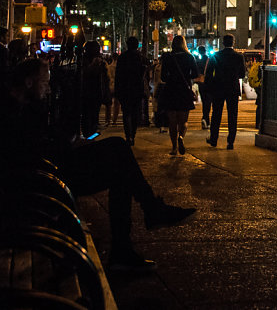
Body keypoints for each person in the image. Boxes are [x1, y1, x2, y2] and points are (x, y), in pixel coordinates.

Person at [1, 58, 196, 272]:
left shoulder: (23, 106)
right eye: (44, 83)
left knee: (119, 162)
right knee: (118, 155)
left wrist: (69, 140)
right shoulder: (15, 111)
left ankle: (135, 231)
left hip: (50, 175)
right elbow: (32, 150)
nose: (48, 89)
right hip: (46, 182)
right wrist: (68, 142)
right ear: (29, 82)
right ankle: (144, 218)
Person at [206, 34, 247, 149]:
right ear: (233, 43)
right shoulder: (239, 57)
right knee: (232, 115)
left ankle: (214, 139)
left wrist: (209, 87)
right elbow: (242, 74)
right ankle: (230, 142)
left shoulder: (216, 56)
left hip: (218, 88)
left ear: (223, 43)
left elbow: (209, 73)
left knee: (216, 115)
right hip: (232, 88)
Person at [159, 35, 198, 156]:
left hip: (171, 90)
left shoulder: (168, 57)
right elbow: (195, 74)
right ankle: (181, 137)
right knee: (183, 120)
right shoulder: (189, 57)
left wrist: (172, 77)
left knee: (172, 121)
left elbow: (163, 77)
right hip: (184, 91)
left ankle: (174, 147)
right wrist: (186, 77)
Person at [114, 37, 148, 146]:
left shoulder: (123, 57)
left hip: (125, 89)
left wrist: (117, 90)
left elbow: (118, 75)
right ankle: (132, 135)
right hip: (137, 89)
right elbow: (145, 75)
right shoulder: (141, 58)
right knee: (134, 113)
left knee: (126, 113)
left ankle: (128, 135)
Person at [81, 41, 109, 138]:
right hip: (86, 93)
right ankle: (88, 135)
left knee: (93, 115)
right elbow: (85, 74)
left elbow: (104, 78)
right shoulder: (83, 60)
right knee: (87, 116)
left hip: (96, 93)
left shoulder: (100, 61)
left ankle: (91, 134)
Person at [196, 45, 212, 130]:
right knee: (208, 102)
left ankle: (204, 118)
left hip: (201, 83)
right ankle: (206, 119)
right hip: (209, 83)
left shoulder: (198, 61)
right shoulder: (209, 60)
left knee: (204, 101)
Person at [105, 53, 120, 127]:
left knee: (109, 104)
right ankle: (114, 120)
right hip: (117, 86)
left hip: (110, 85)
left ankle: (107, 120)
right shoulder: (119, 67)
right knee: (116, 104)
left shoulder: (109, 66)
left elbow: (107, 77)